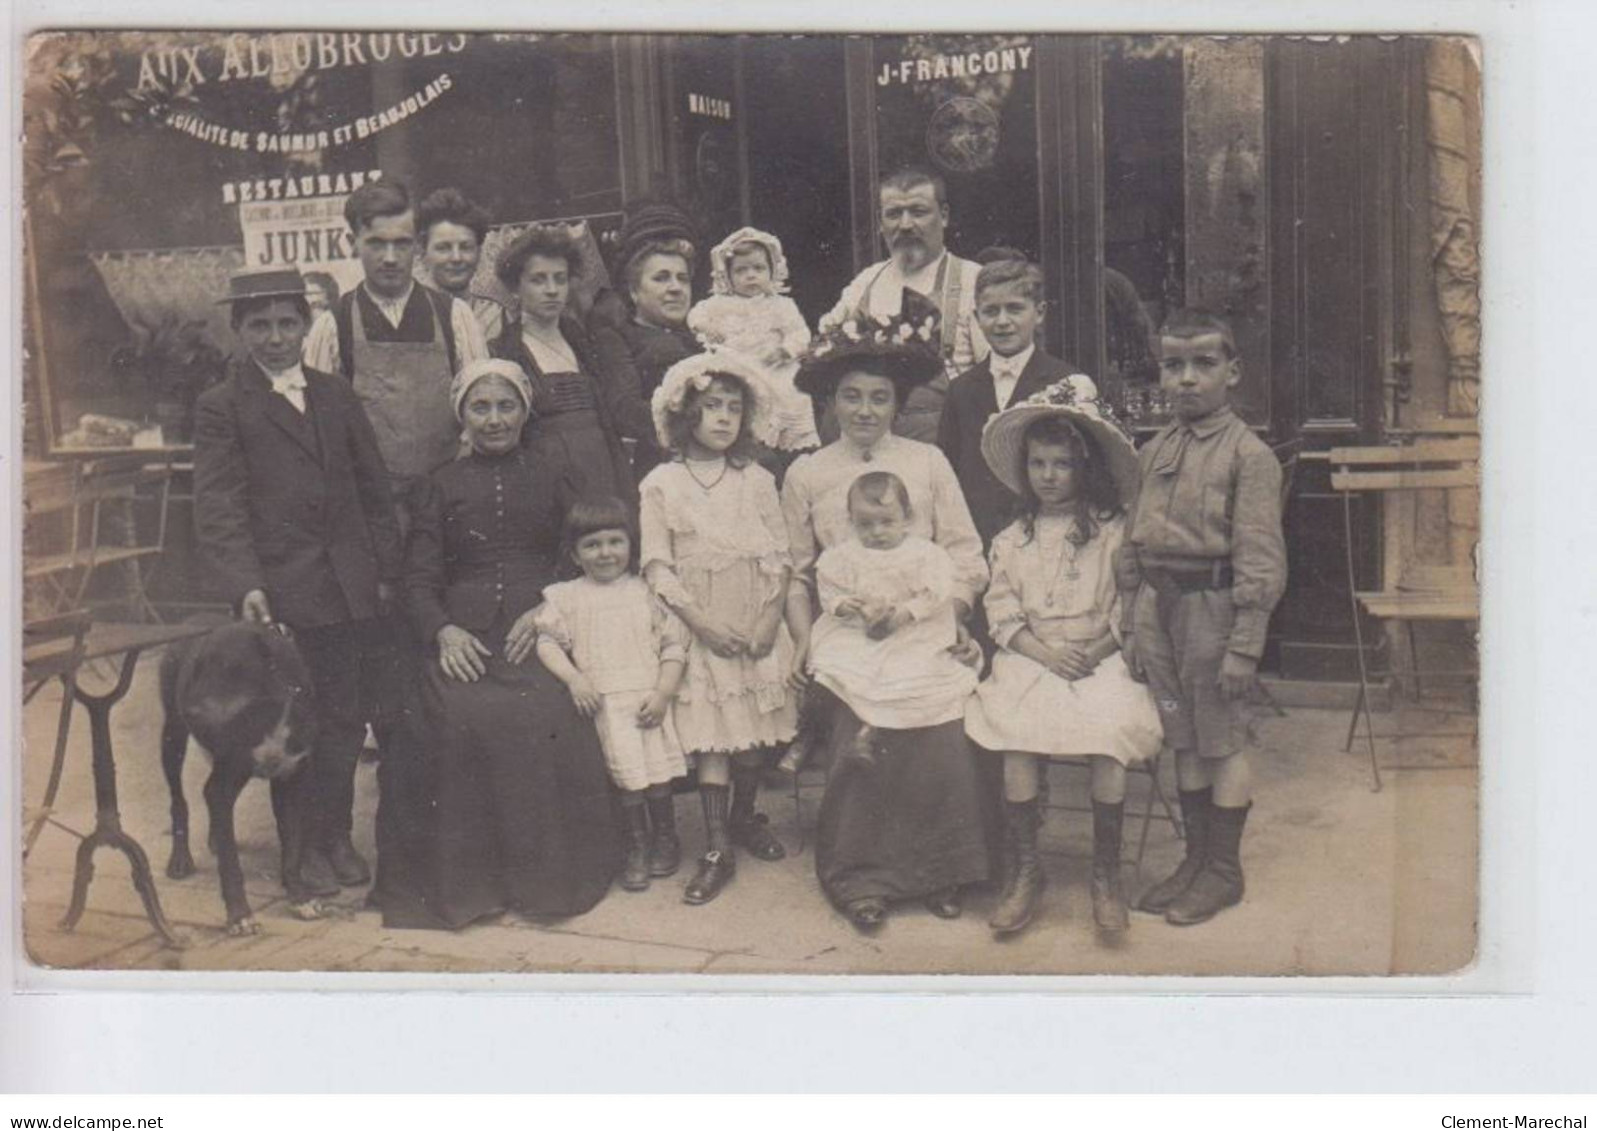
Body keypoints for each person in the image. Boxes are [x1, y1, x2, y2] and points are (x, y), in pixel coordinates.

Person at [301, 176, 491, 911]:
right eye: (373, 243)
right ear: (351, 245)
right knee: (354, 690)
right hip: (364, 526)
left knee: (435, 680)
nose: (389, 257)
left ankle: (447, 829)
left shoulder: (453, 314)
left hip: (440, 516)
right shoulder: (335, 323)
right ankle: (336, 836)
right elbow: (321, 432)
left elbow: (479, 411)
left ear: (417, 243)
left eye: (401, 242)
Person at [782, 292, 991, 932]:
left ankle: (940, 870)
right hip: (845, 632)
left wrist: (954, 621)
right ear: (830, 403)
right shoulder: (808, 473)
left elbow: (963, 554)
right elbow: (797, 574)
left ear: (897, 403)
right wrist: (801, 645)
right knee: (860, 731)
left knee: (941, 724)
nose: (865, 410)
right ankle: (861, 875)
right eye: (851, 396)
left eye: (878, 397)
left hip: (925, 625)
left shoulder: (926, 462)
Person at [193, 266, 402, 903]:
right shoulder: (222, 406)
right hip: (284, 593)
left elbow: (373, 489)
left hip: (349, 587)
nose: (276, 337)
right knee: (294, 722)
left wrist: (385, 569)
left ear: (306, 324)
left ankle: (336, 835)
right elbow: (219, 505)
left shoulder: (334, 394)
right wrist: (246, 584)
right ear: (239, 330)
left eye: (287, 323)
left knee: (343, 716)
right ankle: (302, 849)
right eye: (260, 325)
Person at [399, 359, 619, 928]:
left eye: (505, 406)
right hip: (464, 632)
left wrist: (549, 607)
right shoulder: (438, 485)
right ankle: (471, 890)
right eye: (481, 407)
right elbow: (418, 576)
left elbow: (577, 556)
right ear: (462, 416)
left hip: (540, 626)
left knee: (544, 710)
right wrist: (443, 630)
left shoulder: (553, 474)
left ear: (524, 412)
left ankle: (545, 883)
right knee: (455, 714)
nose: (494, 420)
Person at [965, 377, 1163, 937]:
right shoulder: (1012, 538)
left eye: (1061, 465)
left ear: (1085, 469)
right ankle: (1028, 870)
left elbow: (1128, 605)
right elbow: (1001, 611)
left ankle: (1106, 874)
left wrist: (1098, 649)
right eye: (1037, 464)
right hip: (1034, 655)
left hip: (1100, 653)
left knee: (1108, 734)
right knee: (1019, 738)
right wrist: (1042, 652)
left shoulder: (1111, 532)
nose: (1048, 476)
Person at [1117, 309, 1287, 926]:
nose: (1187, 379)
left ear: (1232, 372)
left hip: (1213, 612)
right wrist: (1134, 614)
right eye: (1174, 365)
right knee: (1181, 734)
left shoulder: (1250, 456)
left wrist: (1245, 645)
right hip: (1157, 612)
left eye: (1204, 364)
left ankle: (1224, 869)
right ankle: (1194, 860)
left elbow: (1260, 558)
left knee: (1221, 738)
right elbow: (1133, 538)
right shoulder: (1155, 448)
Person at [639, 351, 799, 905]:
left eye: (734, 408)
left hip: (753, 623)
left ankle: (744, 816)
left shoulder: (755, 478)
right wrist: (702, 624)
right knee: (714, 739)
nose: (725, 418)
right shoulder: (661, 483)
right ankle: (714, 848)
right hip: (701, 624)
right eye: (712, 407)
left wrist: (767, 619)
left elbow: (779, 554)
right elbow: (657, 565)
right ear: (687, 415)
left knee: (750, 739)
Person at [533, 496, 691, 893]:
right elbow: (547, 642)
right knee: (625, 779)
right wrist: (574, 679)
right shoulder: (566, 596)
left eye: (614, 542)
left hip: (646, 699)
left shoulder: (646, 592)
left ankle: (666, 837)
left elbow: (675, 646)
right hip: (604, 702)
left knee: (655, 776)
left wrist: (662, 693)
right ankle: (635, 844)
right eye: (592, 545)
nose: (605, 553)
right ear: (575, 554)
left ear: (630, 546)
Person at [809, 470, 978, 763]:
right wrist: (843, 605)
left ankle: (887, 734)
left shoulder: (923, 554)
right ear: (851, 520)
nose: (876, 532)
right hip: (861, 631)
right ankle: (862, 730)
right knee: (852, 669)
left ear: (907, 517)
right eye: (865, 524)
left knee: (908, 671)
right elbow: (829, 590)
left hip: (912, 629)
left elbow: (935, 593)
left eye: (887, 522)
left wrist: (906, 612)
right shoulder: (845, 556)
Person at [818, 167, 989, 442]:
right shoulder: (866, 282)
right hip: (869, 443)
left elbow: (998, 380)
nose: (906, 224)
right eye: (894, 214)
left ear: (943, 216)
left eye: (918, 212)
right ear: (880, 222)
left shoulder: (974, 281)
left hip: (944, 443)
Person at [938, 252, 1082, 550]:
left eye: (1015, 309)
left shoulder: (1068, 382)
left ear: (1039, 313)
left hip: (1046, 539)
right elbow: (948, 473)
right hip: (978, 539)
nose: (1002, 321)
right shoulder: (961, 390)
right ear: (976, 318)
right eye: (991, 311)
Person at [487, 225, 641, 504]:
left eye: (560, 279)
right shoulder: (503, 352)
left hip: (602, 469)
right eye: (538, 280)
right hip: (546, 477)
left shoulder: (585, 343)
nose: (551, 290)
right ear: (515, 287)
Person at [687, 226, 820, 458]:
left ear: (772, 271)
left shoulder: (781, 305)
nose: (751, 275)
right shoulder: (719, 304)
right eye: (741, 270)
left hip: (773, 365)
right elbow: (694, 317)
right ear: (728, 276)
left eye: (758, 268)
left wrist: (786, 350)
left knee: (791, 393)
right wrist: (708, 328)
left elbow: (800, 333)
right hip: (737, 366)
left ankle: (786, 445)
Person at [591, 238, 701, 484]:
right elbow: (625, 410)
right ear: (634, 292)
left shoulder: (702, 337)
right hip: (659, 467)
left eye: (682, 279)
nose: (676, 288)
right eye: (661, 278)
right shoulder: (616, 338)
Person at [415, 186, 505, 336]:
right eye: (443, 248)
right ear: (424, 255)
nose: (456, 258)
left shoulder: (497, 317)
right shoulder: (413, 315)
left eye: (465, 247)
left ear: (479, 253)